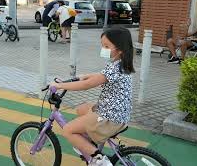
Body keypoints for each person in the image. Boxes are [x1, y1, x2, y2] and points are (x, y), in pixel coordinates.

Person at [50, 27, 135, 166]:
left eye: (107, 46)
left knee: (68, 130)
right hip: (118, 113)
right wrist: (84, 76)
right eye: (102, 45)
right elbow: (100, 77)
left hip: (109, 117)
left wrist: (60, 86)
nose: (103, 49)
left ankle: (99, 159)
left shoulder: (115, 68)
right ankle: (88, 143)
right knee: (82, 108)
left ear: (119, 49)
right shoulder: (121, 64)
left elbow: (87, 85)